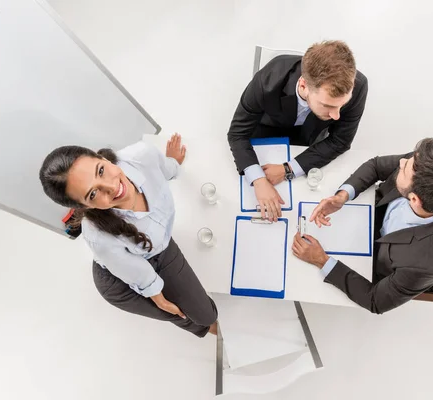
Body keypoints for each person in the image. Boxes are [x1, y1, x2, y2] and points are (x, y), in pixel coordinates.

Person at [39, 134, 218, 337]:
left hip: (152, 251)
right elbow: (135, 271)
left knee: (205, 314)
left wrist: (173, 163)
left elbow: (165, 169)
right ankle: (207, 328)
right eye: (93, 194)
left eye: (101, 171)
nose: (113, 188)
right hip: (118, 278)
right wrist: (157, 298)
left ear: (103, 158)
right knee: (179, 314)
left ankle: (204, 322)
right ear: (84, 206)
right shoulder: (96, 235)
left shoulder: (142, 155)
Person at [291, 138, 433, 314]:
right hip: (365, 218)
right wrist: (343, 196)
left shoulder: (424, 267)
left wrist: (321, 260)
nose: (401, 162)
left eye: (405, 167)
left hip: (373, 261)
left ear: (414, 199)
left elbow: (375, 300)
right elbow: (375, 166)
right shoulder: (426, 166)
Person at [227, 40, 368, 221]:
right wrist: (258, 179)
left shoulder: (358, 86)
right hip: (267, 129)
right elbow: (237, 134)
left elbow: (340, 141)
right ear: (303, 86)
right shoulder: (268, 80)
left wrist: (288, 169)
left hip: (308, 138)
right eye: (328, 105)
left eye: (342, 105)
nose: (336, 116)